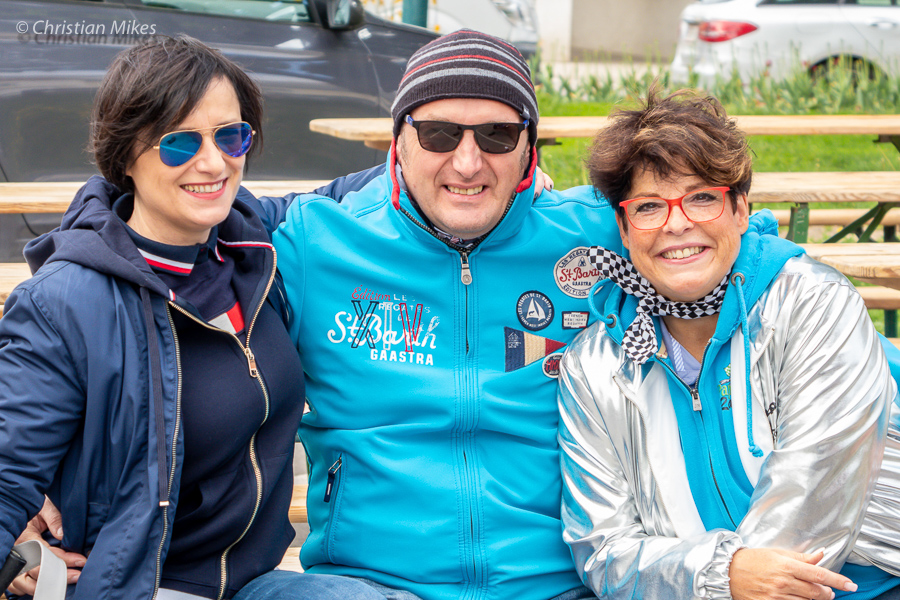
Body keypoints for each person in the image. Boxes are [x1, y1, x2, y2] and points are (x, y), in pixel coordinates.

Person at [0, 35, 380, 600]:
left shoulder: (251, 240)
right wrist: (16, 550)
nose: (214, 162)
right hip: (137, 587)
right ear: (126, 154)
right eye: (179, 143)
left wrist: (484, 162)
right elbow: (7, 478)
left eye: (231, 136)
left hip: (250, 583)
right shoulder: (65, 303)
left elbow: (358, 190)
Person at [264, 29, 623, 600]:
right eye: (438, 134)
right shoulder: (318, 242)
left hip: (560, 585)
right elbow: (167, 224)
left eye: (499, 135)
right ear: (399, 141)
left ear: (530, 147)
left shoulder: (596, 234)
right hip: (372, 586)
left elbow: (737, 240)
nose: (468, 162)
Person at [557, 89, 900, 600]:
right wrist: (722, 575)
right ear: (624, 231)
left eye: (702, 198)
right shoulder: (594, 364)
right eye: (649, 206)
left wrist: (727, 581)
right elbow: (603, 549)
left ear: (740, 209)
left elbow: (811, 513)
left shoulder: (812, 303)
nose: (677, 223)